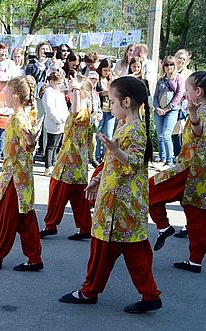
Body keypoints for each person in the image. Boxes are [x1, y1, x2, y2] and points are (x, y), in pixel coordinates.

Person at [59, 76, 162, 314]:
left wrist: (115, 150)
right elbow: (112, 162)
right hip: (122, 203)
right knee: (134, 251)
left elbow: (134, 162)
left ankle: (89, 291)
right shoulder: (126, 124)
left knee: (104, 250)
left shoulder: (134, 129)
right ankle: (148, 294)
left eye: (112, 101)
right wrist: (97, 179)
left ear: (126, 102)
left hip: (119, 205)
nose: (109, 107)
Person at [149, 72, 206, 273]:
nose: (185, 93)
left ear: (198, 91)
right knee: (198, 217)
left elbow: (198, 131)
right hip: (199, 171)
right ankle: (195, 260)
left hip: (190, 169)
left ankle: (163, 227)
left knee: (151, 189)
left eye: (187, 89)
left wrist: (193, 115)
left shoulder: (202, 111)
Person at [0, 76, 43, 272]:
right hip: (20, 176)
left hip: (14, 178)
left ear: (14, 96)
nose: (2, 92)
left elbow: (27, 145)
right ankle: (34, 257)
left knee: (3, 217)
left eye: (6, 90)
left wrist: (31, 142)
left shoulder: (19, 118)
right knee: (25, 218)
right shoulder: (20, 115)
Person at [39, 74, 93, 240]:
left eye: (72, 90)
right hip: (77, 162)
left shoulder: (81, 112)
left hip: (69, 163)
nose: (69, 92)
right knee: (79, 198)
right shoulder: (85, 111)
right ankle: (84, 228)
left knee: (57, 193)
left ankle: (51, 225)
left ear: (79, 93)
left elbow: (76, 110)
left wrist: (76, 87)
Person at [153, 56, 185, 169]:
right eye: (166, 65)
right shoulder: (160, 80)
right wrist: (157, 108)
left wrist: (168, 108)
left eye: (171, 64)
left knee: (167, 134)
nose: (169, 67)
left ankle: (170, 159)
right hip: (159, 111)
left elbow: (180, 94)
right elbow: (155, 96)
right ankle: (162, 158)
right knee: (160, 135)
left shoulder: (178, 78)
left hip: (172, 110)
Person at [41, 72, 68, 176]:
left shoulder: (59, 93)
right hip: (54, 122)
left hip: (61, 122)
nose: (60, 85)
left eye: (61, 83)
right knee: (51, 145)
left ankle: (54, 163)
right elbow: (50, 109)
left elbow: (63, 107)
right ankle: (48, 166)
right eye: (58, 83)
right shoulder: (48, 93)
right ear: (51, 82)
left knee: (57, 145)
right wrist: (57, 120)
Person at [94, 58, 115, 162]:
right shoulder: (97, 79)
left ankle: (106, 156)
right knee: (98, 134)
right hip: (100, 110)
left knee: (109, 134)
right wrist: (105, 92)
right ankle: (97, 156)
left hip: (111, 111)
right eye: (105, 70)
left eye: (109, 70)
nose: (107, 73)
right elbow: (96, 92)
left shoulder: (112, 80)